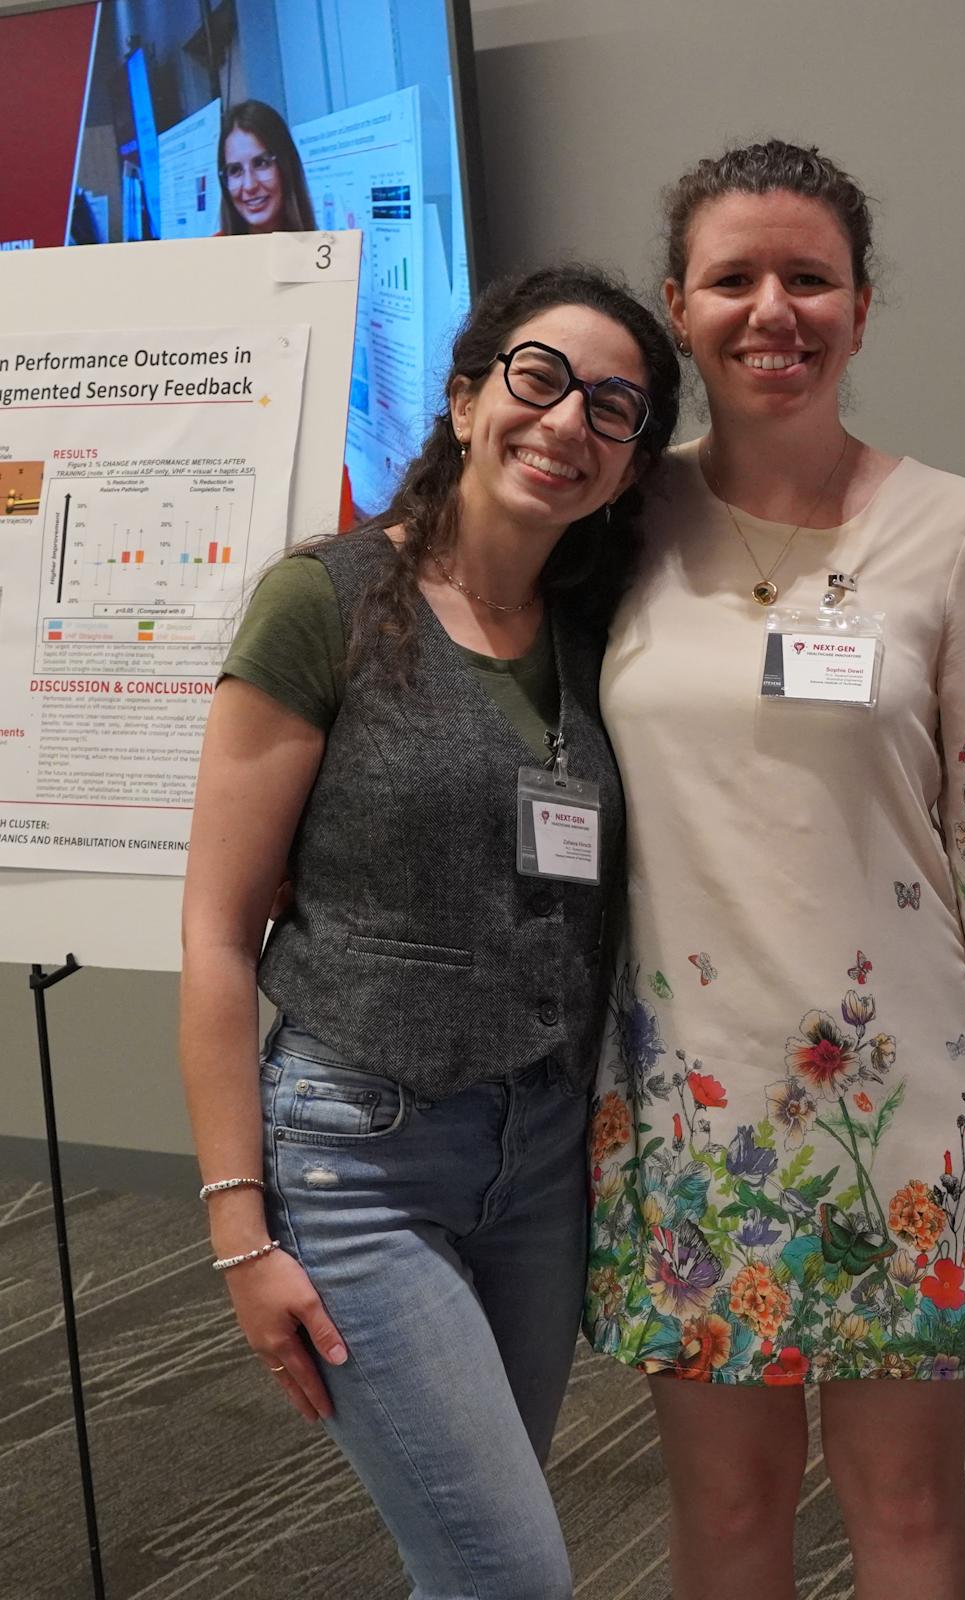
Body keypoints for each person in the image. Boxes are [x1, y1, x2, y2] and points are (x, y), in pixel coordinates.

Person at [584, 141, 965, 1600]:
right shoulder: (617, 517)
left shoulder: (954, 526)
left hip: (900, 1098)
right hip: (688, 1101)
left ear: (862, 308)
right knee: (727, 1505)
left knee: (907, 1503)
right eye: (733, 278)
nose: (773, 311)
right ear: (678, 308)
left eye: (809, 278)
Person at [179, 265, 680, 1596]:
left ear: (633, 464)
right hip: (361, 1160)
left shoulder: (602, 638)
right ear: (465, 401)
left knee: (464, 1561)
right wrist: (240, 1232)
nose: (567, 422)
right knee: (511, 1574)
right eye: (538, 378)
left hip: (542, 1167)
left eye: (614, 407)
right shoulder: (326, 600)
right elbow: (218, 935)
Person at [218, 101, 316, 235]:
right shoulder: (210, 249)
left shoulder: (323, 245)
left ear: (286, 167)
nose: (249, 185)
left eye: (261, 163)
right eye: (235, 170)